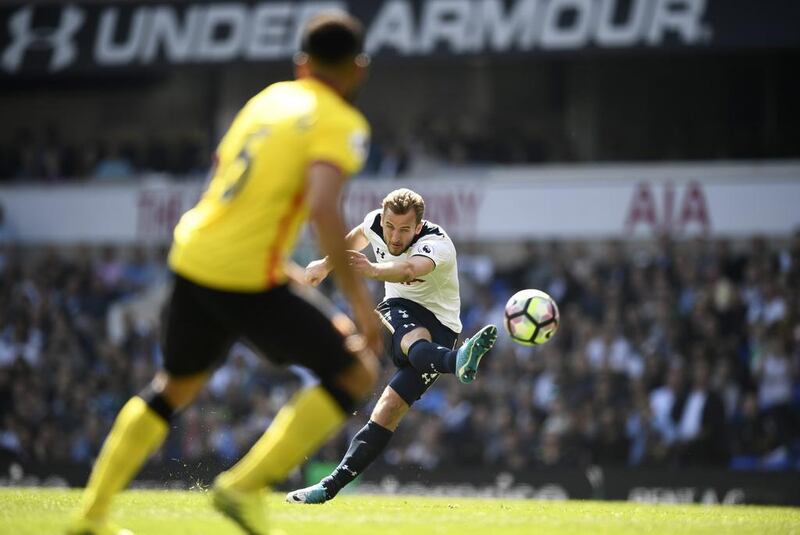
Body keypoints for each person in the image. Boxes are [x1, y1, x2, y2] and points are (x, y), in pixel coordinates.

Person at [67, 12, 381, 535]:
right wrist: (360, 304)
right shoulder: (341, 122)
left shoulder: (267, 101)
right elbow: (326, 210)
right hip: (244, 275)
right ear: (359, 68)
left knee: (174, 386)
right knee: (356, 373)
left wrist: (282, 266)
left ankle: (91, 515)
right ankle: (241, 487)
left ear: (302, 65)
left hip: (195, 256)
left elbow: (228, 187)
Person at [286, 187, 498, 505]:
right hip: (399, 308)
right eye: (389, 227)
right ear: (383, 219)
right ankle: (457, 361)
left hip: (443, 328)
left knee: (387, 411)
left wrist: (372, 270)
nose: (394, 237)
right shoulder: (375, 224)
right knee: (415, 345)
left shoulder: (437, 244)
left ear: (418, 227)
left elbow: (410, 269)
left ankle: (327, 488)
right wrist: (326, 264)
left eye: (403, 230)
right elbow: (357, 236)